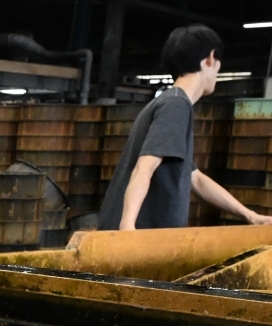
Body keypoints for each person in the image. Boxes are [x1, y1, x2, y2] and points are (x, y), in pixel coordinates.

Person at [99, 24, 272, 230]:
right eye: (218, 65)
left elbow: (195, 179)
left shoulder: (172, 103)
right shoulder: (176, 105)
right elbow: (145, 166)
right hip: (142, 239)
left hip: (150, 239)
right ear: (210, 58)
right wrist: (127, 227)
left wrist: (250, 216)